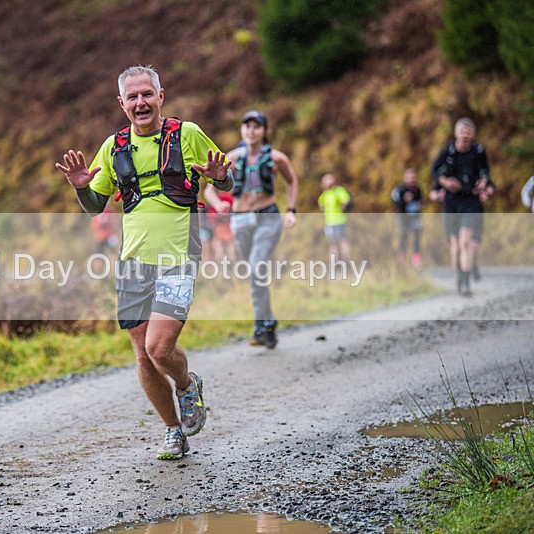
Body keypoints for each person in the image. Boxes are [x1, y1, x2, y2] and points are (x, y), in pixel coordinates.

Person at [55, 65, 233, 461]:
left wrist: (221, 179)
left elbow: (225, 180)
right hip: (133, 261)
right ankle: (173, 431)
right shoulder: (113, 146)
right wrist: (82, 189)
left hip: (178, 257)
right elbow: (94, 207)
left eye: (146, 95)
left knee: (159, 347)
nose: (140, 103)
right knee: (142, 353)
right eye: (132, 97)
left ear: (160, 96)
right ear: (122, 104)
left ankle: (187, 385)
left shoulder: (186, 134)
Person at [204, 110, 298, 349]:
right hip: (240, 219)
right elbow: (209, 189)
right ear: (241, 130)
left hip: (268, 217)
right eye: (247, 126)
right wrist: (218, 205)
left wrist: (291, 210)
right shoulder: (231, 158)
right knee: (254, 273)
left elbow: (292, 181)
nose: (251, 130)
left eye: (256, 126)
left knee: (257, 267)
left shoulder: (277, 158)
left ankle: (261, 324)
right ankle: (268, 323)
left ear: (265, 131)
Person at [431, 117, 495, 296]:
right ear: (456, 133)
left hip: (471, 200)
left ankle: (466, 282)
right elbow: (434, 170)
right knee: (455, 246)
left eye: (469, 132)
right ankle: (459, 276)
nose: (465, 135)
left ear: (473, 134)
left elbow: (486, 171)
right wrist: (445, 182)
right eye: (462, 131)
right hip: (452, 201)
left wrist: (484, 182)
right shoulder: (448, 151)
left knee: (466, 241)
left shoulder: (478, 151)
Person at [390, 168, 424, 268]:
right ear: (405, 178)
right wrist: (404, 201)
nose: (412, 179)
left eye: (414, 177)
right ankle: (401, 260)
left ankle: (416, 261)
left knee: (417, 238)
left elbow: (421, 202)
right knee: (403, 238)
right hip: (403, 217)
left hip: (415, 217)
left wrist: (420, 204)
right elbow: (394, 201)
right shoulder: (400, 189)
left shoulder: (417, 189)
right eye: (410, 177)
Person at [317, 173, 352, 262]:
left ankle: (346, 264)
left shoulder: (338, 191)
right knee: (333, 244)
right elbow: (321, 204)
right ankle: (335, 266)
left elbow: (346, 202)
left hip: (338, 221)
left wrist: (342, 208)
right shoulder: (326, 193)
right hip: (329, 222)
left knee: (341, 242)